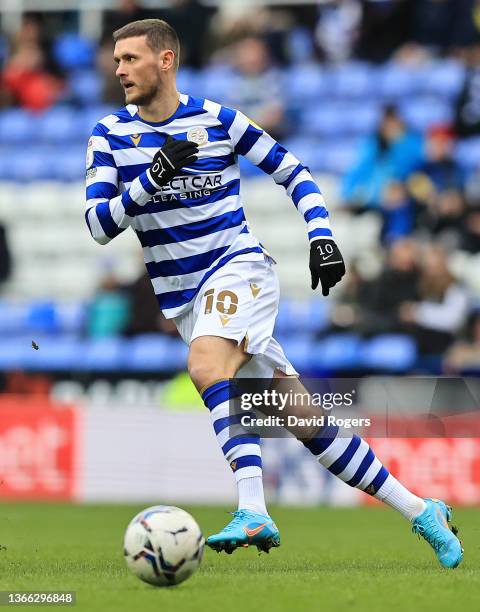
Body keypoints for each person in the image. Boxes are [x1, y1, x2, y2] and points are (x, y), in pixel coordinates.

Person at [84, 18, 462, 568]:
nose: (119, 70)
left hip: (239, 268)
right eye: (116, 60)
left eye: (131, 59)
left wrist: (323, 235)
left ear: (166, 61)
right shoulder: (109, 134)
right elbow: (98, 226)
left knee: (206, 366)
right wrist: (151, 179)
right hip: (186, 298)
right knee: (302, 418)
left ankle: (253, 508)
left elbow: (293, 170)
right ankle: (421, 509)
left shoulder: (218, 120)